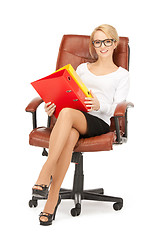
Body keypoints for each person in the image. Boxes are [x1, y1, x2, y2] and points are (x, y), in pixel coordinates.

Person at [32, 24, 130, 225]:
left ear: (114, 43)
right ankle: (52, 199)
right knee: (68, 134)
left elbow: (117, 108)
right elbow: (68, 93)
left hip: (98, 121)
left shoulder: (121, 75)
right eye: (97, 42)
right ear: (93, 45)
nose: (102, 46)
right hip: (72, 118)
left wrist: (99, 104)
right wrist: (53, 106)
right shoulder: (82, 68)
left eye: (107, 41)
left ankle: (46, 169)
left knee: (67, 114)